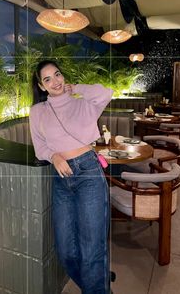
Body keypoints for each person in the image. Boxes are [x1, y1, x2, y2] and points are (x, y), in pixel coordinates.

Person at [30, 60, 113, 294]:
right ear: (41, 86)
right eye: (47, 79)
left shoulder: (83, 104)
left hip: (89, 173)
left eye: (57, 75)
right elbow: (39, 148)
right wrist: (54, 157)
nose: (55, 81)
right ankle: (99, 285)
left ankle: (98, 288)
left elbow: (106, 92)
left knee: (91, 249)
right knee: (66, 250)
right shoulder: (37, 112)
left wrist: (76, 87)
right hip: (62, 179)